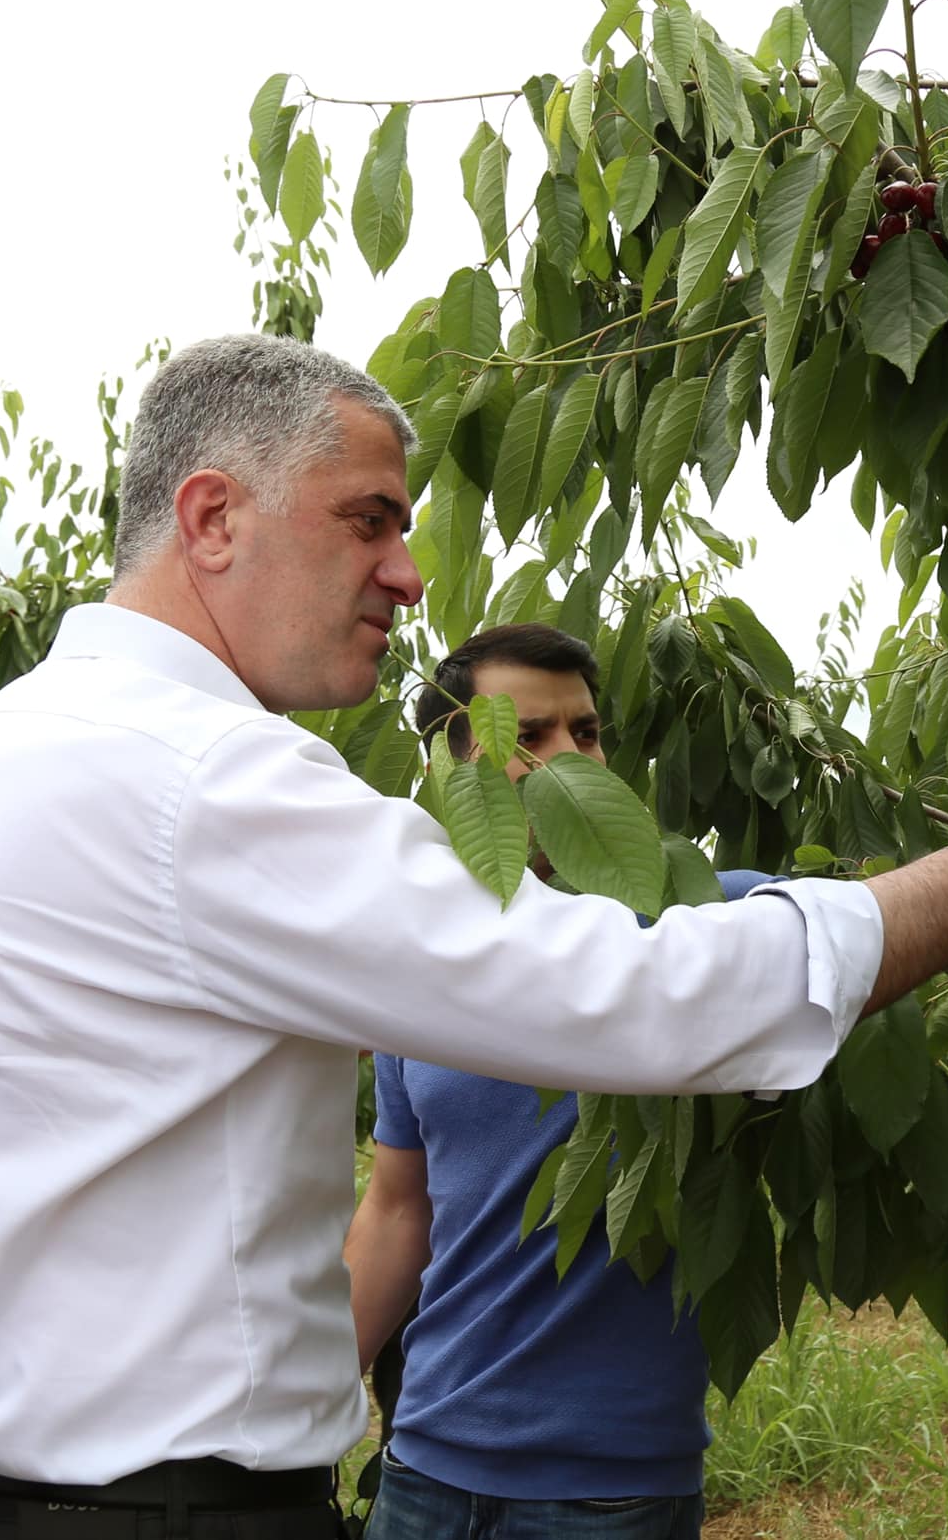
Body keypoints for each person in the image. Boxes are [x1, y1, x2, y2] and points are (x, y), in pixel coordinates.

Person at [0, 335, 948, 1540]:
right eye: (368, 521)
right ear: (213, 517)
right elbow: (631, 992)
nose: (409, 578)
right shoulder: (207, 783)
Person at [348, 623, 739, 1540]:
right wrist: (295, 1414)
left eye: (586, 732)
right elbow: (399, 1208)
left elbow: (845, 937)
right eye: (528, 736)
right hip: (422, 1467)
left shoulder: (691, 928)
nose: (571, 757)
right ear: (455, 765)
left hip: (611, 1493)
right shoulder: (421, 963)